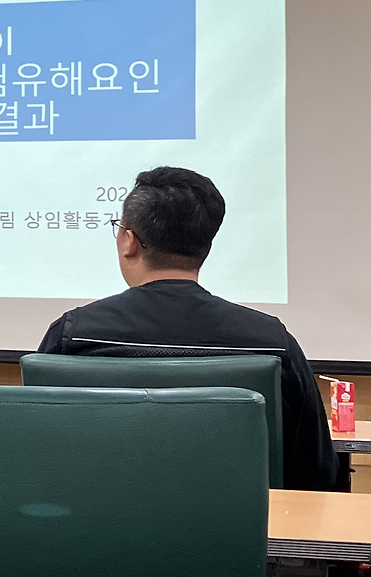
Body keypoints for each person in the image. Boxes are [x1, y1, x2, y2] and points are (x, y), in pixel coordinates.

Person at [38, 166, 337, 491]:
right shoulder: (272, 342)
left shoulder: (72, 336)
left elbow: (35, 448)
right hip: (235, 522)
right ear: (206, 246)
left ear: (129, 241)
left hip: (91, 517)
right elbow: (316, 473)